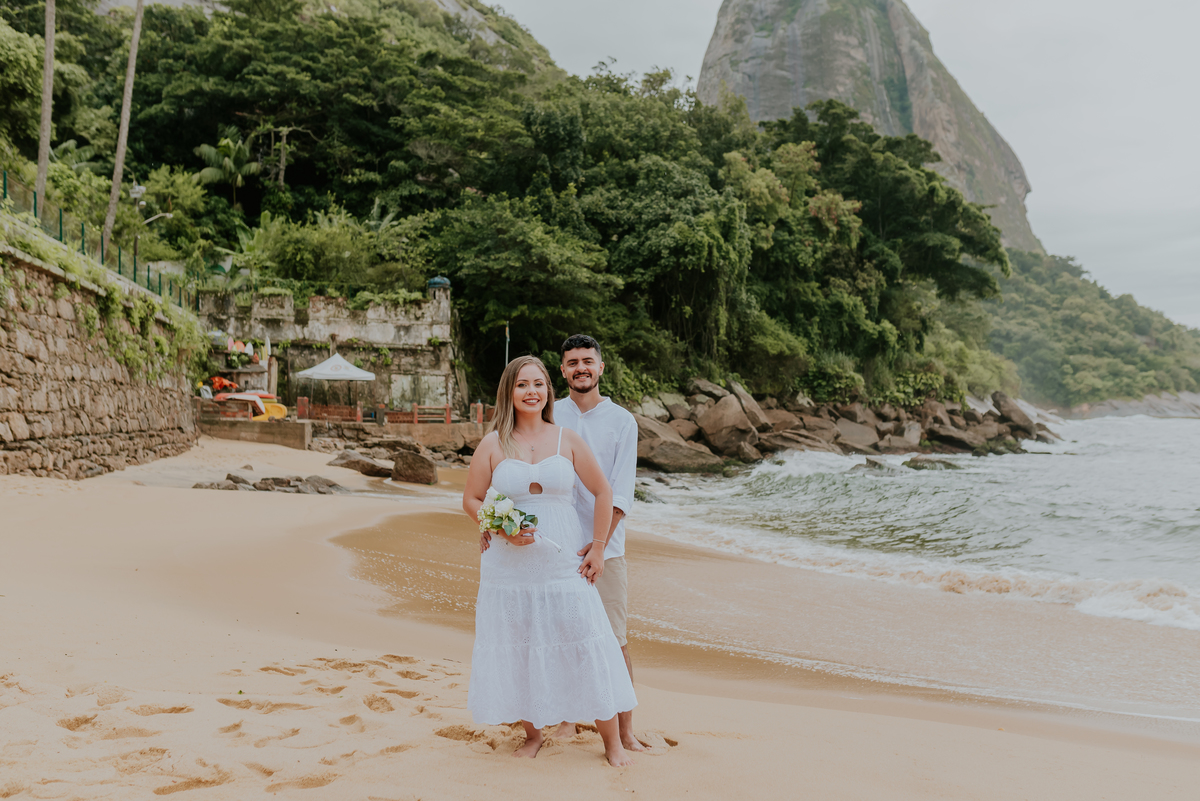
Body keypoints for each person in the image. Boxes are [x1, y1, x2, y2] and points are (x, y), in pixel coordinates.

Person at [463, 355, 637, 767]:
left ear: (548, 390)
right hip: (509, 568)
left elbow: (603, 492)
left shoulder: (566, 440)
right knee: (519, 645)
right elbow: (470, 499)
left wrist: (597, 546)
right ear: (509, 391)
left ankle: (612, 743)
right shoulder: (492, 444)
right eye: (523, 385)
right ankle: (533, 734)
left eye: (539, 384)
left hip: (562, 563)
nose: (532, 392)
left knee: (586, 642)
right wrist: (500, 528)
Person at [553, 334, 645, 753]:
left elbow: (621, 493)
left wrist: (598, 545)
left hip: (607, 547)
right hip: (553, 544)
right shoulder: (549, 414)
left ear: (601, 367)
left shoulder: (622, 421)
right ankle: (566, 720)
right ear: (562, 370)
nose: (580, 368)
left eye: (587, 361)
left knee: (614, 637)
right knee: (561, 632)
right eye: (572, 362)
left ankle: (624, 729)